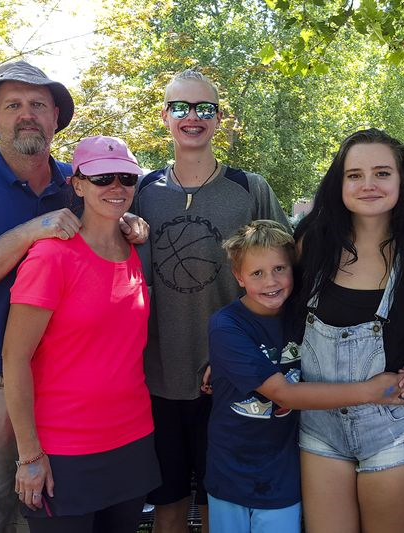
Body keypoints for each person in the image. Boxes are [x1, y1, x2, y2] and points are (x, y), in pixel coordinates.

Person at [0, 61, 146, 532]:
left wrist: (122, 224)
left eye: (39, 104)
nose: (27, 114)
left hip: (56, 402)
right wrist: (28, 233)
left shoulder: (78, 181)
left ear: (56, 118)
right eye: (13, 105)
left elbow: (103, 222)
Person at [133, 69, 289, 533]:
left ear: (221, 119)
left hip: (232, 379)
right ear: (165, 117)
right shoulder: (139, 192)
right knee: (170, 505)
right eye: (180, 107)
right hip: (158, 375)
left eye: (205, 108)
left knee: (222, 504)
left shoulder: (249, 188)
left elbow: (283, 275)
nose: (192, 117)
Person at [206, 219, 404, 533]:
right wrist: (371, 391)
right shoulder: (226, 326)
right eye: (257, 273)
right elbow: (283, 394)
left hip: (283, 473)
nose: (270, 281)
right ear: (239, 276)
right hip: (232, 470)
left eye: (279, 269)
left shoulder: (304, 315)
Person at [2, 135, 160, 532]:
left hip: (132, 440)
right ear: (77, 184)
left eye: (126, 177)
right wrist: (29, 455)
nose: (116, 187)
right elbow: (14, 357)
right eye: (102, 177)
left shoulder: (134, 249)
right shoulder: (51, 256)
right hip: (63, 451)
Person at [291, 128, 404, 532]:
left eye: (382, 173)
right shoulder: (310, 244)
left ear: (402, 181)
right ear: (339, 182)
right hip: (319, 429)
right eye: (354, 175)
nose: (368, 184)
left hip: (392, 429)